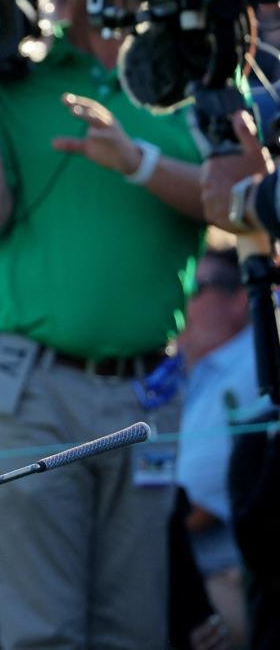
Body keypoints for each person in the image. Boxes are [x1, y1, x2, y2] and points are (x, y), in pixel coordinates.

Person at [0, 0, 206, 649]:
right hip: (30, 386)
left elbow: (240, 204)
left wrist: (139, 161)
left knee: (134, 631)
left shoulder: (186, 73)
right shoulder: (18, 68)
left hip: (146, 389)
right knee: (46, 635)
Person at [176, 241, 258, 646]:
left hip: (229, 579)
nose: (180, 299)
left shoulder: (249, 367)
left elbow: (194, 508)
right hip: (193, 572)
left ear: (241, 300)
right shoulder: (197, 364)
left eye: (194, 287)